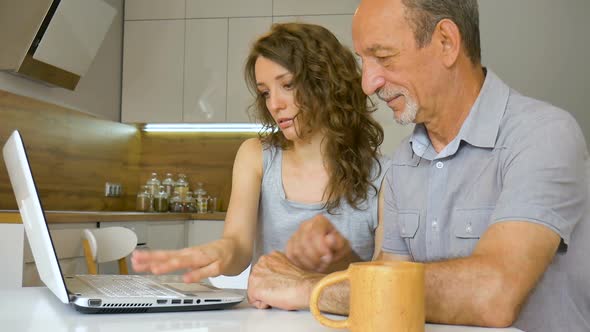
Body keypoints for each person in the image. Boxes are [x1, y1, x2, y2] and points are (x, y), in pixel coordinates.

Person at [246, 1, 590, 331]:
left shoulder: (542, 135)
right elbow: (384, 294)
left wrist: (310, 289)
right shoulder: (404, 165)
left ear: (446, 42)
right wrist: (333, 266)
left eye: (383, 57)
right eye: (364, 62)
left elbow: (493, 293)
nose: (369, 84)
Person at [131, 23, 390, 288]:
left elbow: (386, 282)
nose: (274, 104)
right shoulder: (256, 156)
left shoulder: (386, 176)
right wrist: (220, 252)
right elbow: (238, 248)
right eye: (265, 92)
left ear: (328, 83)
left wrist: (338, 258)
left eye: (288, 85)